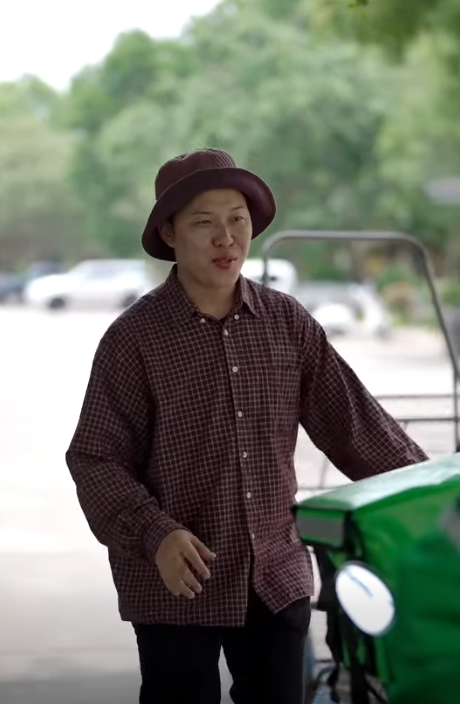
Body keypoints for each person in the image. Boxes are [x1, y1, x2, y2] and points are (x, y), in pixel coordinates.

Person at [65, 148, 428, 704]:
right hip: (176, 580)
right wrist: (155, 534)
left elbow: (356, 427)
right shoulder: (133, 339)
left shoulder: (287, 322)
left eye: (237, 219)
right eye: (204, 223)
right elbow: (95, 458)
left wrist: (436, 497)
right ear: (169, 233)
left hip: (274, 574)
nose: (226, 238)